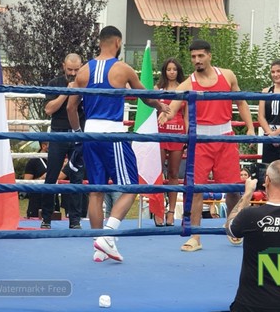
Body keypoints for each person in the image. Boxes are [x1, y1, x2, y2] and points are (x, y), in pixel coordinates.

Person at [67, 25, 169, 262]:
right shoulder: (122, 69)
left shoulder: (82, 71)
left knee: (96, 191)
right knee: (132, 186)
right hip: (112, 134)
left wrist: (77, 133)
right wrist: (161, 106)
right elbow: (146, 96)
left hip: (90, 135)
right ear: (117, 42)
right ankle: (109, 234)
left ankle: (98, 247)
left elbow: (72, 107)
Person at [158, 39, 255, 251]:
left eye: (201, 56)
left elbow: (241, 102)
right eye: (193, 57)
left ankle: (233, 227)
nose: (197, 60)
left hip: (226, 140)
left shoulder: (227, 75)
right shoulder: (189, 83)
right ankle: (195, 236)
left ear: (209, 55)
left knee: (232, 189)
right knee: (196, 190)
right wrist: (167, 114)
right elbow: (174, 105)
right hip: (200, 142)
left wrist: (250, 127)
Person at [226, 160, 280, 312]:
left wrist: (247, 194)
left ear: (267, 180)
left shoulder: (251, 215)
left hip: (251, 305)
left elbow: (230, 228)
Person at [40, 53, 86, 229]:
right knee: (51, 177)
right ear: (63, 66)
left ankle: (75, 220)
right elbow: (49, 110)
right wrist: (67, 93)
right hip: (58, 134)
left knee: (77, 178)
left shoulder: (86, 84)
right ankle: (46, 218)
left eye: (76, 70)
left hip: (77, 135)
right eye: (70, 69)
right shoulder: (54, 84)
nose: (73, 73)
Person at [154, 57, 186, 226]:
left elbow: (187, 114)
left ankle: (171, 212)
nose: (172, 72)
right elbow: (151, 112)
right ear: (164, 71)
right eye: (169, 69)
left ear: (178, 71)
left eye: (174, 69)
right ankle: (158, 210)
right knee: (158, 173)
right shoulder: (157, 89)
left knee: (174, 173)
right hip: (159, 134)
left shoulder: (184, 88)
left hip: (178, 134)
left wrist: (188, 135)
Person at [258, 59, 280, 163]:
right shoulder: (266, 91)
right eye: (273, 72)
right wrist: (270, 134)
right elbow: (260, 116)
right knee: (268, 169)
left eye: (279, 71)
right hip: (269, 136)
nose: (275, 74)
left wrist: (277, 133)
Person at [24, 141, 48, 218]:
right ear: (44, 146)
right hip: (36, 201)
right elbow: (26, 182)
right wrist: (41, 178)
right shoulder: (33, 161)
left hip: (52, 199)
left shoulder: (55, 161)